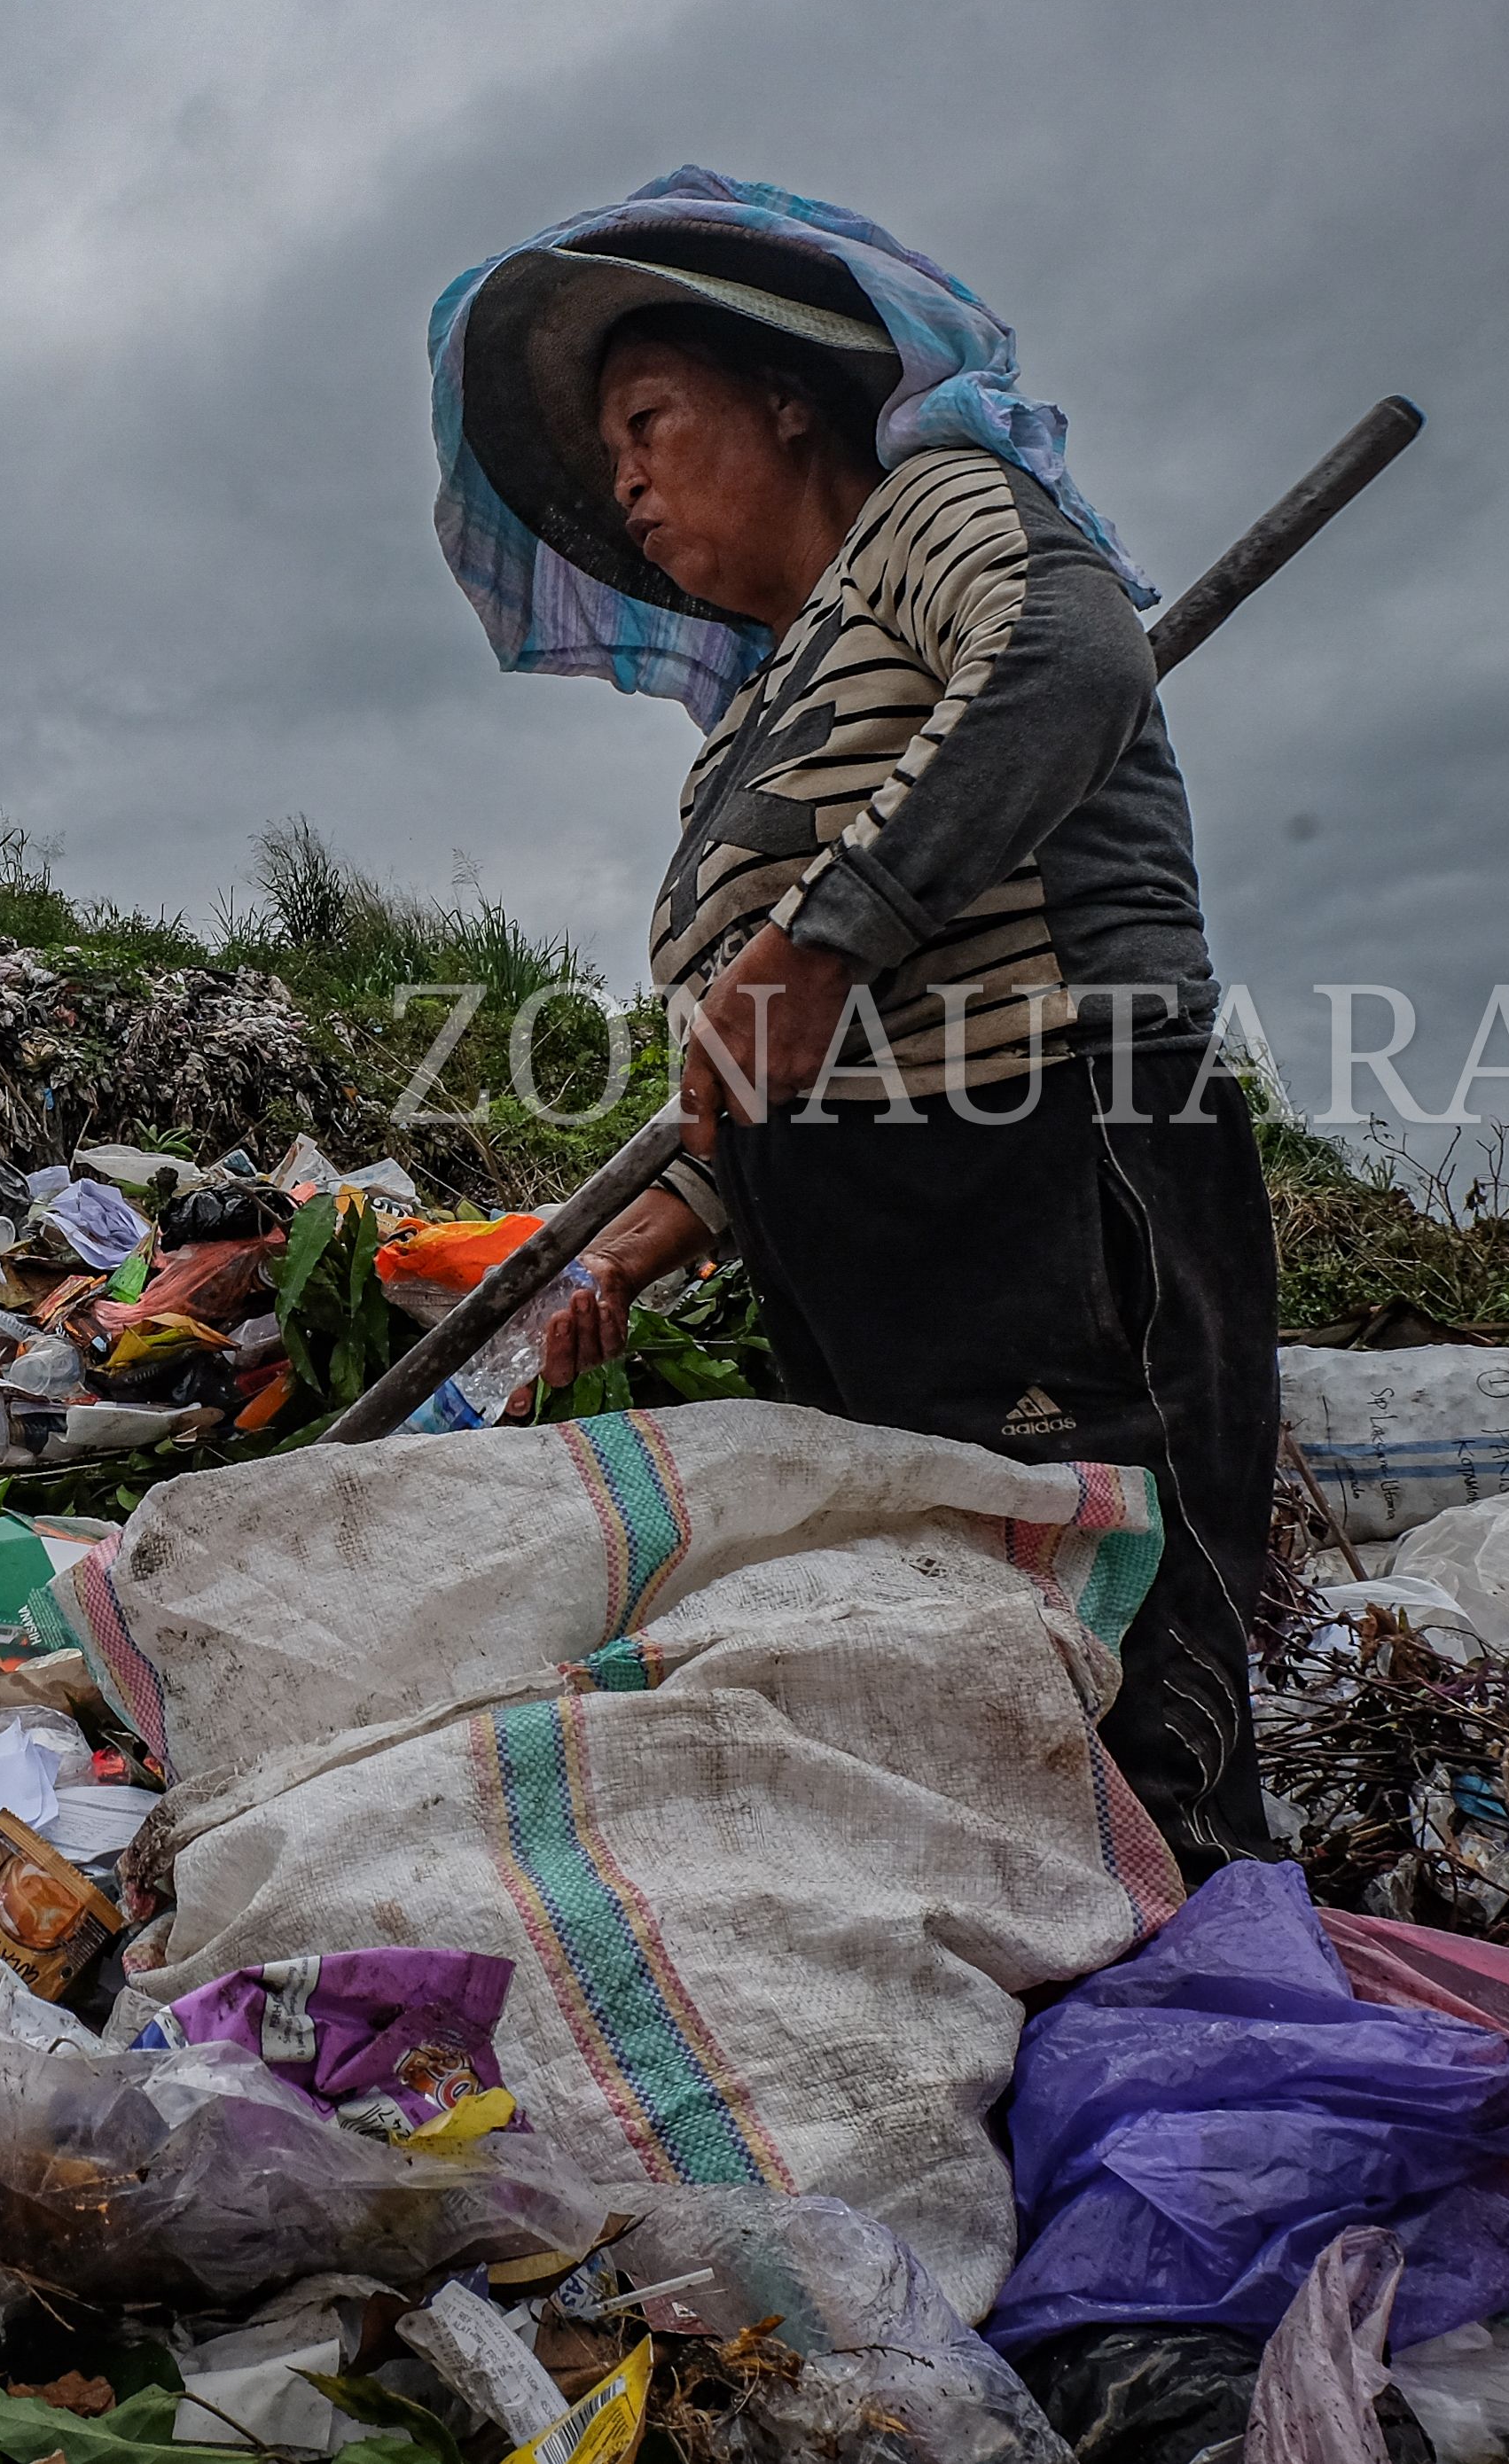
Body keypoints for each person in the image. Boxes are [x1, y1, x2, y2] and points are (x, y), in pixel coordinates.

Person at [435, 180, 1277, 1871]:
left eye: (649, 424)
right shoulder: (769, 690)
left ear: (789, 400)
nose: (627, 484)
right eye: (613, 461)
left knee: (1113, 1656)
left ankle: (1212, 2027)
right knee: (967, 1667)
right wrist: (664, 1233)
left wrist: (823, 940)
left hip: (1041, 1160)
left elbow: (1068, 656)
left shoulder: (936, 513)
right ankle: (1062, 2030)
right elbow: (796, 1042)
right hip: (882, 1241)